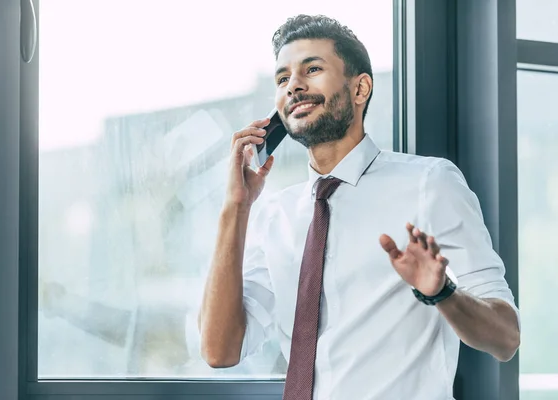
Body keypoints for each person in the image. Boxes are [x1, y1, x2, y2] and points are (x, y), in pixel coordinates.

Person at [198, 14, 520, 400]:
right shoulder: (275, 215)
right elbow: (219, 351)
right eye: (282, 79)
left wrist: (442, 293)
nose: (294, 86)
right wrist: (236, 206)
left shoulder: (430, 183)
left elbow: (506, 338)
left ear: (360, 88)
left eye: (312, 69)